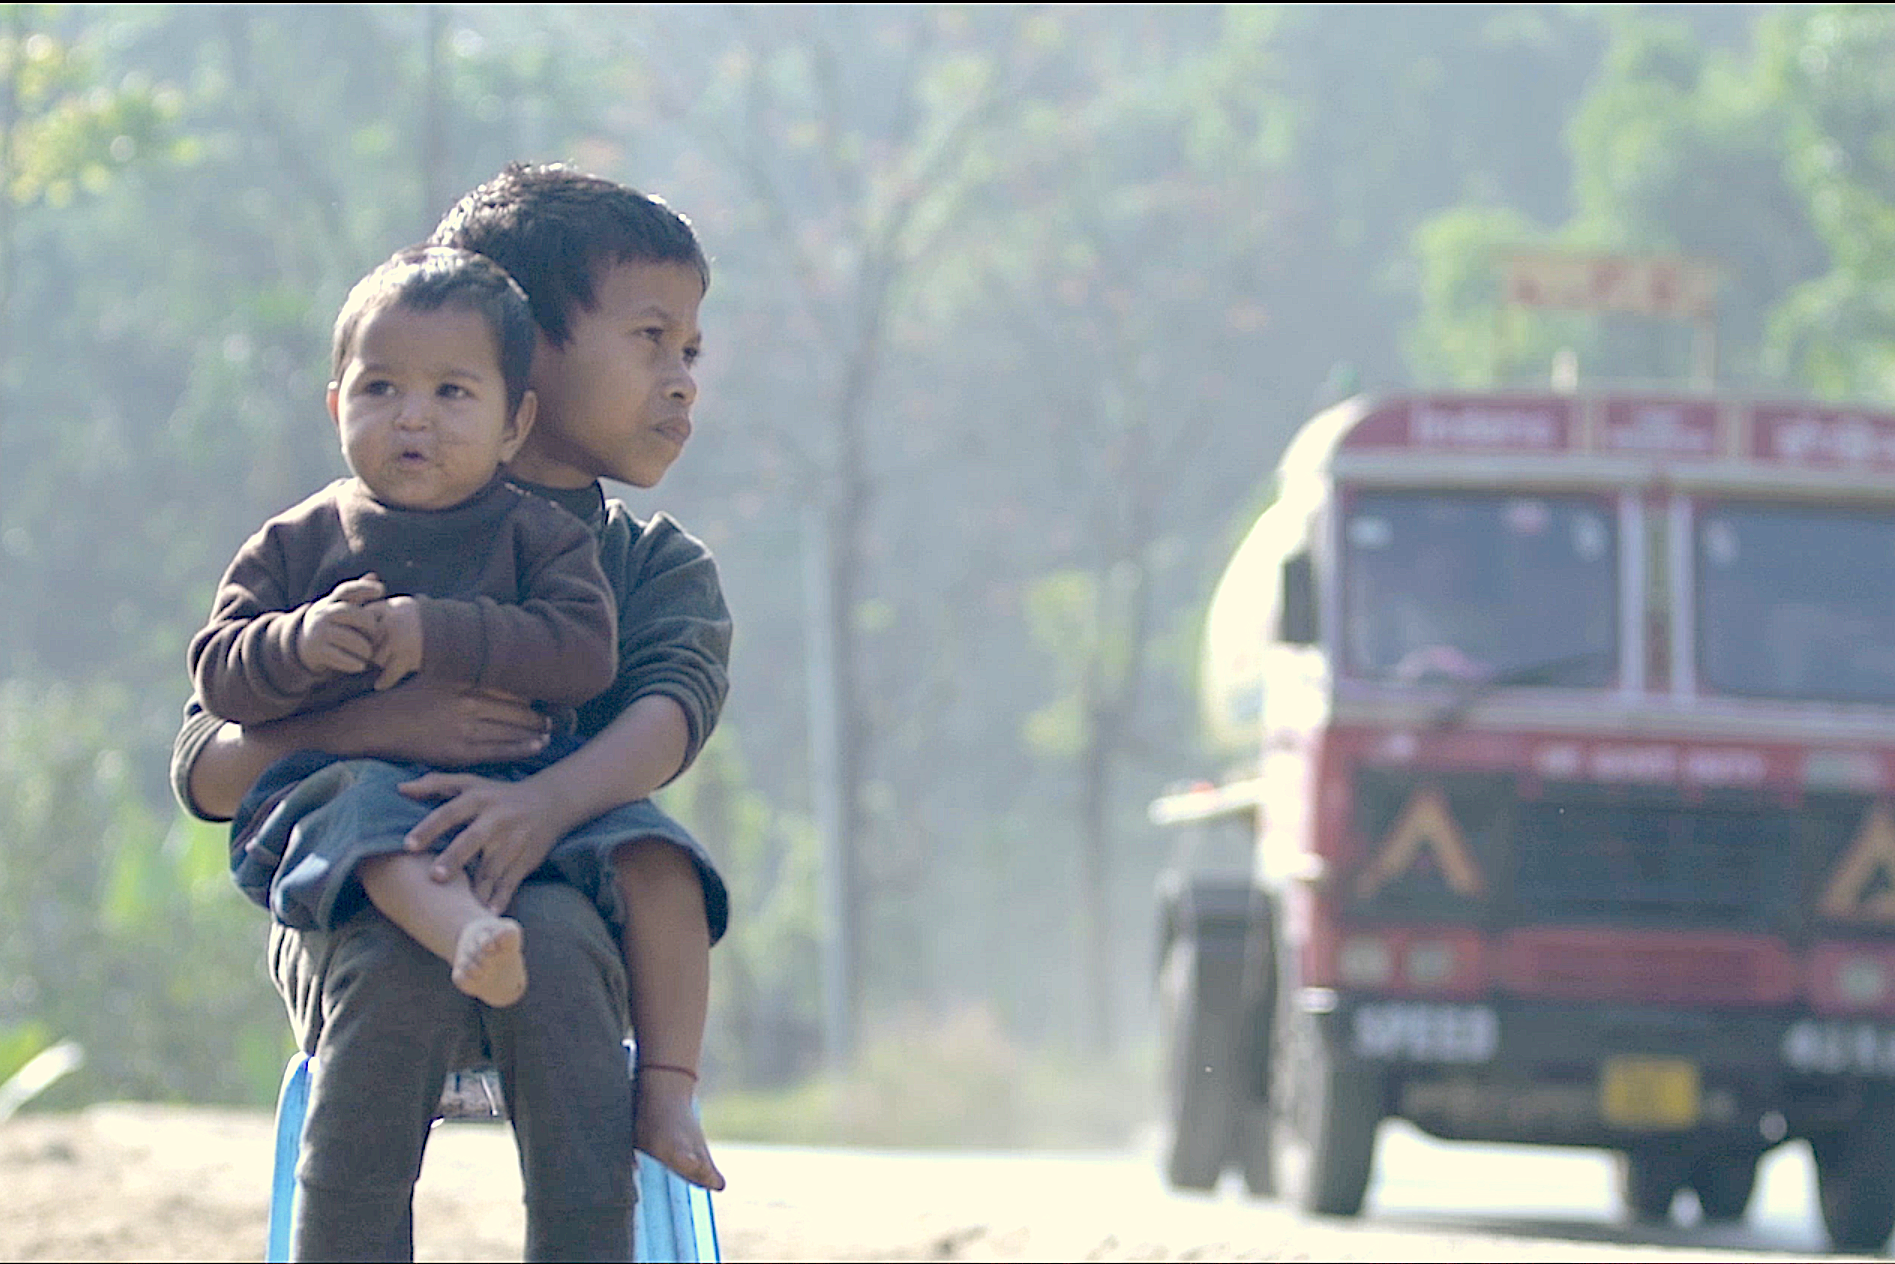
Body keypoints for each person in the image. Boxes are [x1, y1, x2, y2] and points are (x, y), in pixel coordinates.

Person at [171, 163, 731, 1260]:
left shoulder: (652, 567)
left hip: (557, 896)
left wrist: (539, 810)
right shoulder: (334, 544)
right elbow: (204, 764)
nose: (681, 382)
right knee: (391, 967)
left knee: (568, 951)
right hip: (355, 908)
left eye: (691, 351)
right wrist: (358, 727)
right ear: (523, 343)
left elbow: (668, 715)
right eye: (650, 339)